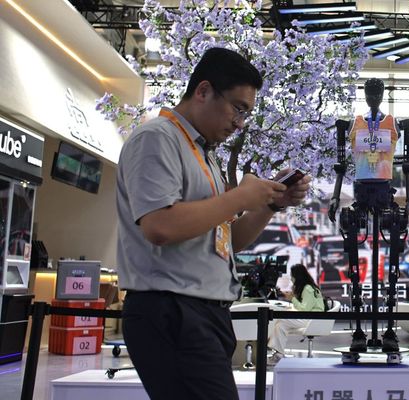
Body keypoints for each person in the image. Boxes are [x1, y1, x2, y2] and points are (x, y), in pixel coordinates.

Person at [116, 47, 311, 400]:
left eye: (246, 113)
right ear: (203, 91)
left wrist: (270, 204)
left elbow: (228, 242)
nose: (240, 123)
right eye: (238, 108)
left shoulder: (205, 156)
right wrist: (240, 198)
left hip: (203, 313)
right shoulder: (157, 138)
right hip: (171, 310)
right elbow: (159, 226)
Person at [268, 264, 325, 363]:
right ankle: (278, 354)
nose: (291, 279)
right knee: (281, 325)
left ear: (298, 276)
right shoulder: (307, 287)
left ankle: (272, 347)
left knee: (281, 320)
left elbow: (304, 309)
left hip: (312, 320)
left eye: (292, 276)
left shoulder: (308, 289)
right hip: (310, 318)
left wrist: (292, 299)